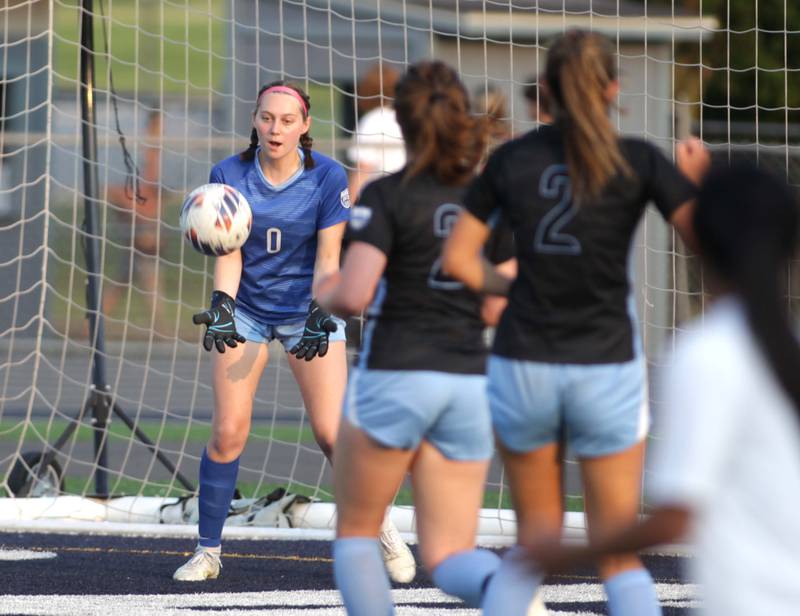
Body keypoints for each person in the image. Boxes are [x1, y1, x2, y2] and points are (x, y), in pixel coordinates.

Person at [442, 30, 710, 616]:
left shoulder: (511, 159)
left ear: (544, 90)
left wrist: (511, 285)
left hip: (524, 363)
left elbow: (459, 261)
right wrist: (700, 181)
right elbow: (711, 245)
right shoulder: (639, 158)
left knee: (534, 547)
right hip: (606, 364)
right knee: (618, 555)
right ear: (615, 88)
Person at [526, 162, 800, 616]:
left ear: (702, 244)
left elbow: (677, 516)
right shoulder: (781, 345)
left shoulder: (707, 354)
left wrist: (565, 555)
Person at [317, 60, 539, 615]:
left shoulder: (388, 196)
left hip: (395, 371)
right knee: (447, 555)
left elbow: (354, 294)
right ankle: (507, 594)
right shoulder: (491, 199)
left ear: (403, 124)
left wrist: (323, 282)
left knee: (356, 534)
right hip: (466, 381)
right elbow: (496, 303)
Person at [172, 81, 414, 583]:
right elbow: (228, 251)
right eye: (266, 118)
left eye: (286, 120)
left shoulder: (326, 177)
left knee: (333, 435)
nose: (275, 128)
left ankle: (383, 529)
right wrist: (221, 304)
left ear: (304, 125)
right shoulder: (228, 173)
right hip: (249, 311)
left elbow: (330, 261)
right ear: (255, 120)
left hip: (310, 310)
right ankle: (208, 550)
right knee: (227, 432)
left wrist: (324, 314)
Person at [104, 109, 166, 329]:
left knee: (130, 280)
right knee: (136, 281)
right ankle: (159, 329)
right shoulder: (139, 184)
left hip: (144, 236)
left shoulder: (151, 176)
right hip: (140, 234)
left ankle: (95, 320)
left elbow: (153, 157)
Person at [347, 63, 406, 201]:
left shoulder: (372, 121)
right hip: (405, 195)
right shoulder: (405, 119)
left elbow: (362, 171)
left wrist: (347, 210)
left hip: (380, 198)